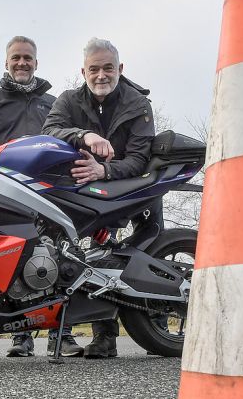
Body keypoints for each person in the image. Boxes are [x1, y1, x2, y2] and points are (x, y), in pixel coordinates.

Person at [42, 37, 158, 359]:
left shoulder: (138, 105)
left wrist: (103, 171)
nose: (101, 75)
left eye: (108, 68)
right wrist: (84, 135)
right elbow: (48, 131)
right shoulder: (68, 100)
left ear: (120, 69)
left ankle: (156, 325)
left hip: (135, 187)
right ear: (84, 71)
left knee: (148, 249)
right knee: (82, 255)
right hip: (87, 193)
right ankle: (97, 337)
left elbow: (139, 160)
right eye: (94, 69)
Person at [0, 36, 84, 358]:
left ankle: (65, 333)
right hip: (6, 191)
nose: (22, 63)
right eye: (16, 58)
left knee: (61, 258)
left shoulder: (54, 102)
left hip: (52, 190)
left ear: (36, 63)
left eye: (28, 58)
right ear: (6, 63)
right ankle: (21, 336)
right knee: (14, 260)